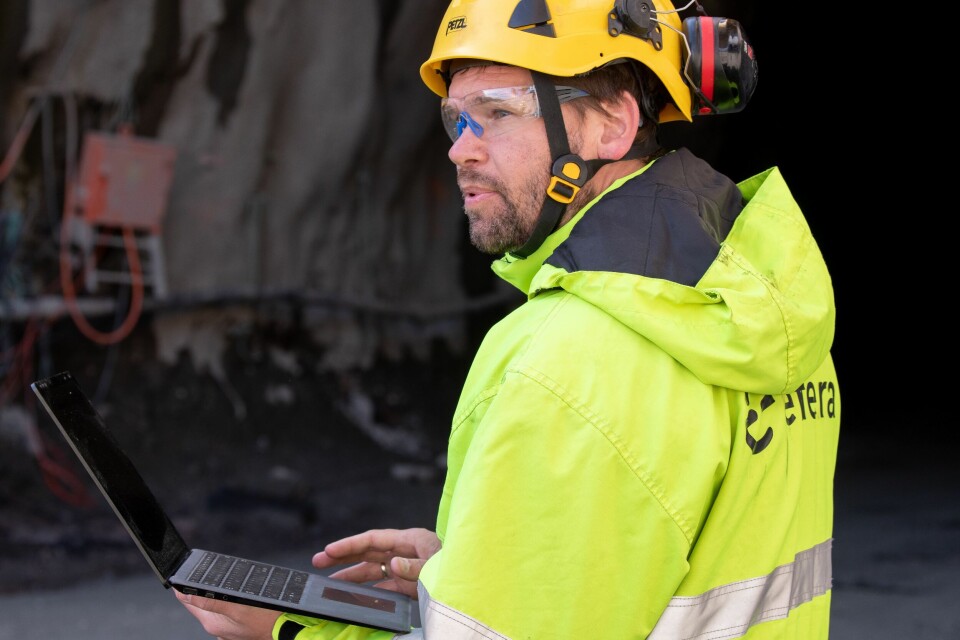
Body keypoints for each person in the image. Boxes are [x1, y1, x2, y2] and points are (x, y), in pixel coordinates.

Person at [177, 0, 841, 638]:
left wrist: (295, 631)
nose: (459, 150)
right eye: (454, 119)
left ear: (611, 124)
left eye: (495, 113)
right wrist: (474, 562)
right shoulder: (758, 312)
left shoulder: (565, 364)